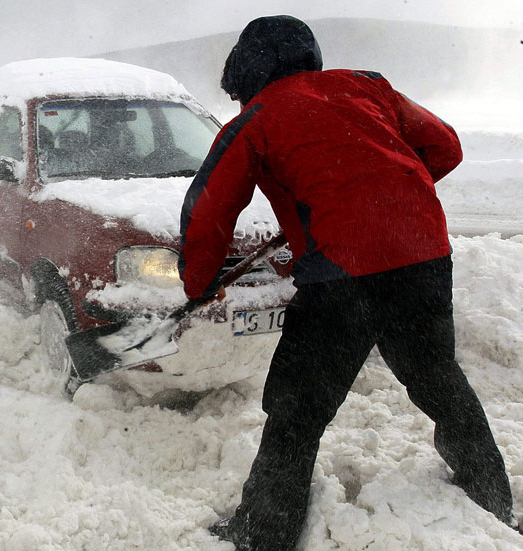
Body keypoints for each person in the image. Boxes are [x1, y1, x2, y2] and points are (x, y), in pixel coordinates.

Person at [177, 15, 516, 551]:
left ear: (246, 72)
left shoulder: (256, 120)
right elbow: (445, 147)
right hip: (424, 256)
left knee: (296, 410)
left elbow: (207, 213)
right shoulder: (368, 86)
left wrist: (197, 284)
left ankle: (264, 535)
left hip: (343, 275)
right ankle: (490, 495)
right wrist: (380, 195)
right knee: (437, 376)